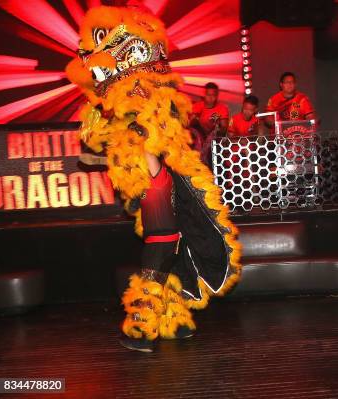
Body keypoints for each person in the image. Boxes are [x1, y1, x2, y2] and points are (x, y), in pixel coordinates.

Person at [66, 4, 242, 353]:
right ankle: (174, 322)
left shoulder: (142, 96)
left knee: (162, 246)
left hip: (158, 183)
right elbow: (87, 157)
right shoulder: (126, 100)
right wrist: (106, 126)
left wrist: (116, 124)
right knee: (171, 247)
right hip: (153, 182)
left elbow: (144, 137)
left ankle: (141, 327)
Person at [191, 82, 229, 165]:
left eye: (213, 95)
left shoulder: (222, 108)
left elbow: (224, 130)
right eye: (208, 95)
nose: (211, 98)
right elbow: (189, 124)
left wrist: (217, 127)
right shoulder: (197, 106)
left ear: (217, 95)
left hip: (215, 143)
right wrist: (195, 118)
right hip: (199, 142)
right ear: (204, 95)